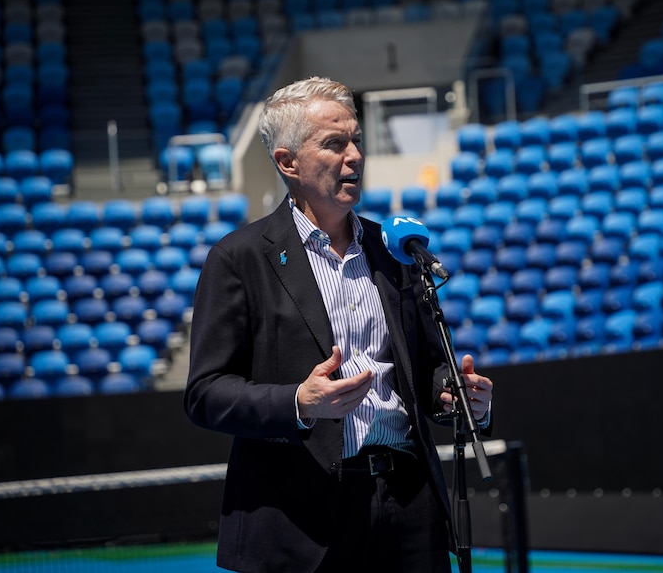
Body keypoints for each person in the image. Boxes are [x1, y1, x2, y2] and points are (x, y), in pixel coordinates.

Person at [183, 76, 494, 573]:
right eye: (334, 143)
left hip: (410, 505)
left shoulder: (396, 251)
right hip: (303, 520)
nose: (354, 156)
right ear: (288, 162)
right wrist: (297, 404)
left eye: (356, 140)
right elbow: (204, 393)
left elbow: (430, 371)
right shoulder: (238, 258)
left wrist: (456, 395)